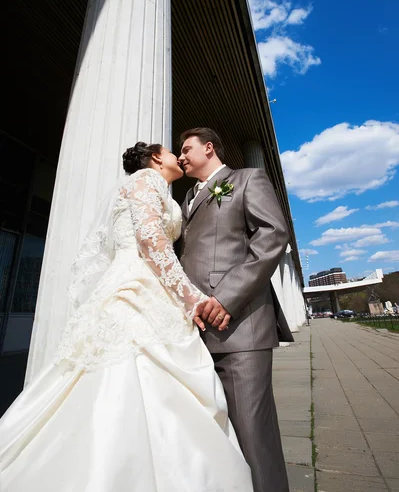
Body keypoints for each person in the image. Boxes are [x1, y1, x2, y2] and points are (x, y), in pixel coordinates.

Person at [0, 142, 253, 492]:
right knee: (125, 373)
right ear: (153, 159)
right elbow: (150, 242)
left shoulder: (157, 188)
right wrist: (192, 298)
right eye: (171, 152)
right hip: (136, 286)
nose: (177, 157)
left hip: (152, 286)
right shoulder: (145, 180)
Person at [179, 128, 293, 492]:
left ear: (208, 147)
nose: (180, 156)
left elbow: (273, 236)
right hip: (193, 331)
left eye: (186, 149)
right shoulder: (187, 198)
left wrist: (227, 297)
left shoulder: (246, 179)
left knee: (252, 433)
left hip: (240, 327)